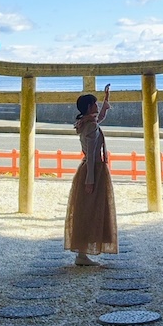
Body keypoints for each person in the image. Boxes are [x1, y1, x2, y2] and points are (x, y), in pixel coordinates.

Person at [64, 83, 118, 265]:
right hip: (93, 169)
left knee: (87, 210)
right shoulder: (90, 126)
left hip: (88, 167)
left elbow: (99, 117)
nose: (96, 108)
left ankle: (82, 253)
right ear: (89, 107)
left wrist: (106, 99)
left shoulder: (85, 122)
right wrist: (91, 181)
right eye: (94, 104)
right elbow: (94, 153)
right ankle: (82, 254)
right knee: (90, 210)